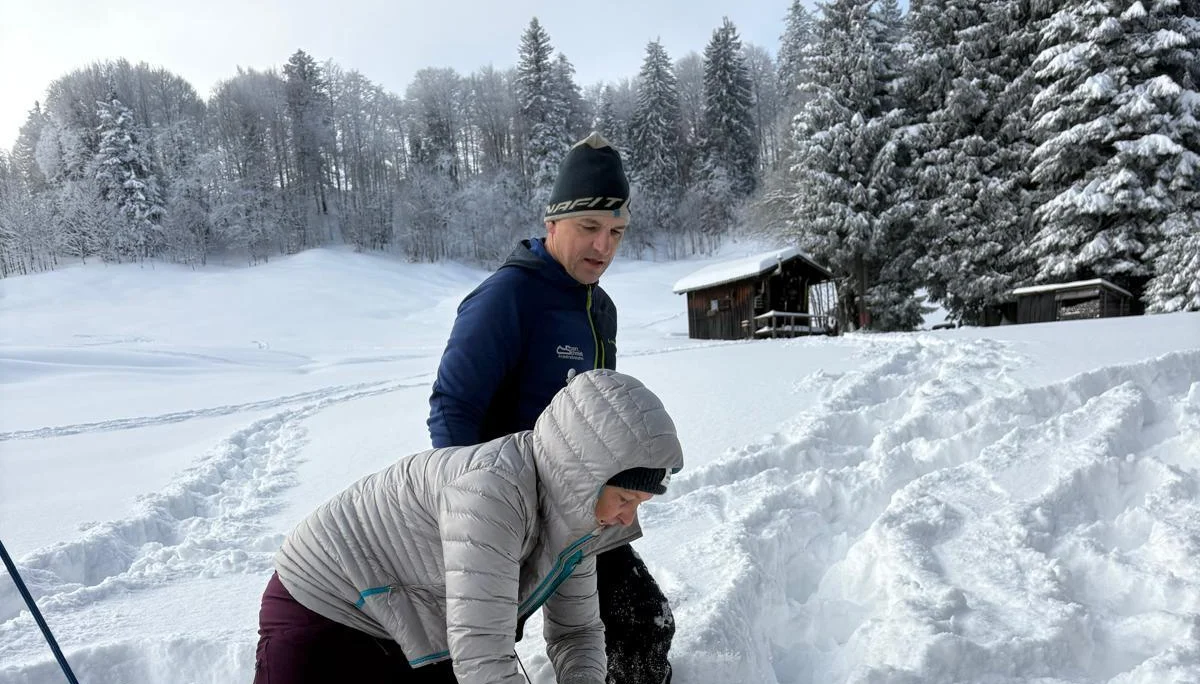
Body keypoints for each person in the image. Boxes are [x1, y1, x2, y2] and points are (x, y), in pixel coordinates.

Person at [428, 132, 675, 682]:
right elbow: (452, 407)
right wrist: (478, 506)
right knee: (481, 645)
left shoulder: (601, 308)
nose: (604, 246)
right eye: (590, 227)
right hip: (508, 506)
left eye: (616, 232)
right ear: (553, 224)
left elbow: (602, 413)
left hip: (582, 502)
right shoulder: (507, 298)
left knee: (640, 623)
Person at [254, 370, 683, 684]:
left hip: (405, 611)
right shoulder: (489, 494)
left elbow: (577, 631)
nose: (628, 518)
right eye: (625, 499)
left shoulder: (577, 518)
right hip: (320, 601)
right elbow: (484, 660)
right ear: (583, 475)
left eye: (640, 504)